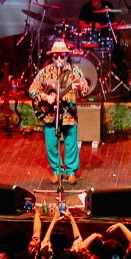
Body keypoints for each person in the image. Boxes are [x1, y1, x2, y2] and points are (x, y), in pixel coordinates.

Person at [28, 39, 90, 182]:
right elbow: (32, 89)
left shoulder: (75, 71)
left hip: (69, 113)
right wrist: (45, 97)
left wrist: (82, 88)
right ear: (52, 57)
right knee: (51, 143)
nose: (59, 59)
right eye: (56, 57)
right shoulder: (45, 72)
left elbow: (85, 89)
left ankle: (71, 172)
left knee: (71, 142)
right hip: (50, 114)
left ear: (67, 56)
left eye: (62, 56)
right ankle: (57, 171)